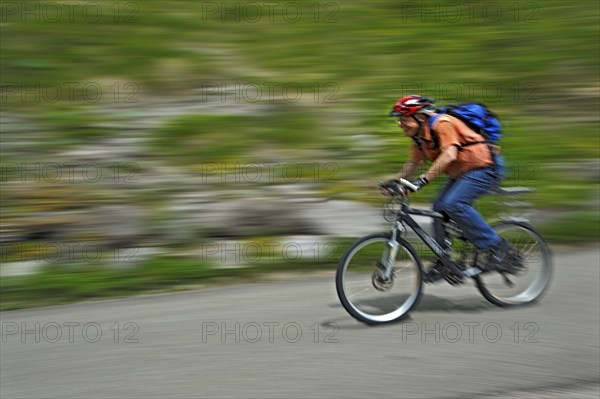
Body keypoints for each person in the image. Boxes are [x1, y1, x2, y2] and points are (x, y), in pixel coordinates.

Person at [382, 95, 513, 281]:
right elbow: (414, 162)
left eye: (403, 119)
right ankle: (445, 260)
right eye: (399, 120)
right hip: (463, 174)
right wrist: (395, 181)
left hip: (485, 169)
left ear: (419, 117)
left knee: (453, 204)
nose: (400, 124)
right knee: (438, 207)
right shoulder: (420, 137)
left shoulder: (442, 123)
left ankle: (497, 248)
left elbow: (450, 154)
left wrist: (423, 180)